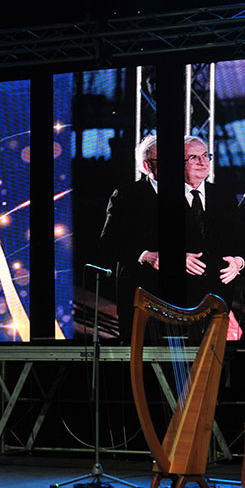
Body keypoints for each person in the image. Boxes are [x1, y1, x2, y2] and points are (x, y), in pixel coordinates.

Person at [98, 132, 161, 339]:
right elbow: (108, 242)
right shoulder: (126, 196)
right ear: (146, 166)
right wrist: (144, 255)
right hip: (138, 290)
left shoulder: (189, 194)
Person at [182, 135, 245, 307]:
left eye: (206, 156)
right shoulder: (159, 197)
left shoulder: (224, 195)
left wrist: (238, 261)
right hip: (179, 294)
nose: (202, 162)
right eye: (193, 157)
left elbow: (241, 238)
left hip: (220, 292)